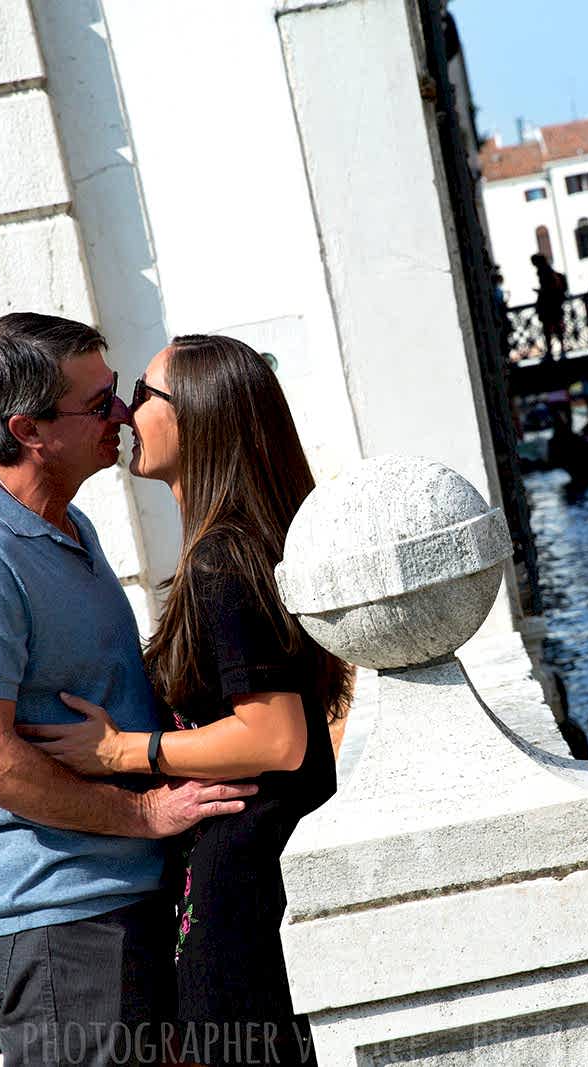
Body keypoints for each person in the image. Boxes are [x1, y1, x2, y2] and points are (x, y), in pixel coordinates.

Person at [0, 313, 258, 1067]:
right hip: (65, 931)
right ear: (29, 428)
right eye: (98, 405)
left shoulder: (74, 526)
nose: (123, 414)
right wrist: (144, 811)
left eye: (118, 394)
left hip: (127, 911)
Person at [22, 335, 352, 1067]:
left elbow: (276, 737)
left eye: (145, 393)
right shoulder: (239, 542)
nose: (128, 411)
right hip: (248, 876)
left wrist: (124, 750)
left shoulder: (221, 558)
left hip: (239, 891)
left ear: (198, 416)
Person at [532, 252, 567, 360]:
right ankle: (561, 349)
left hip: (549, 305)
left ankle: (551, 351)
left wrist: (540, 292)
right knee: (556, 327)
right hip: (554, 304)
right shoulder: (548, 270)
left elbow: (547, 289)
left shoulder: (544, 272)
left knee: (548, 328)